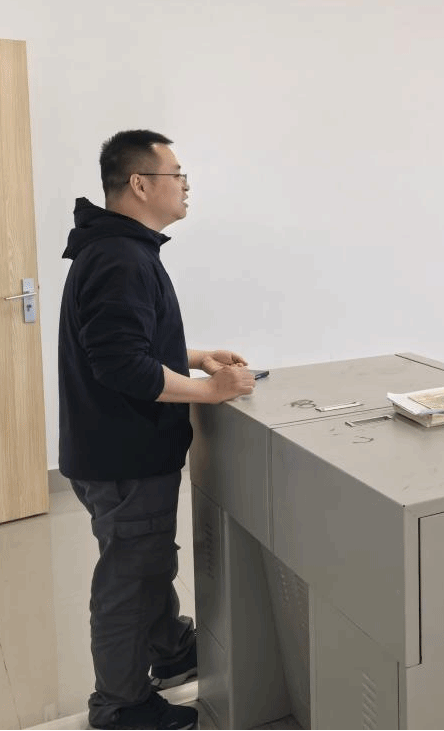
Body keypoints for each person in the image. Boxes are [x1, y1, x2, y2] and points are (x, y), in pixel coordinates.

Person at [58, 130, 256, 730]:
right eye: (178, 174)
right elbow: (121, 364)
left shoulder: (117, 248)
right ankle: (120, 706)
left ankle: (169, 650)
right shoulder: (120, 257)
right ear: (141, 184)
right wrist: (210, 391)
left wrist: (194, 357)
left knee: (147, 563)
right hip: (125, 456)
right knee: (129, 578)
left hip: (116, 451)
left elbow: (130, 342)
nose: (186, 185)